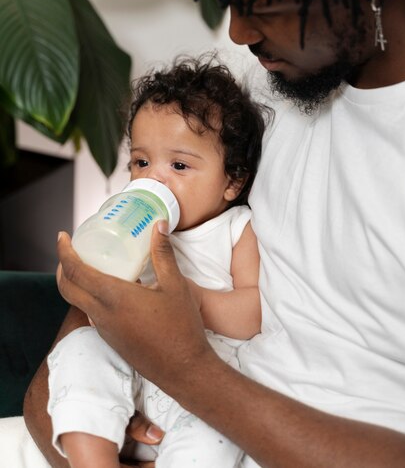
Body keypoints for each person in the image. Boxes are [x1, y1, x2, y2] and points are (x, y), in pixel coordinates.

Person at [24, 0, 405, 466]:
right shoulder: (255, 79)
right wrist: (89, 405)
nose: (237, 32)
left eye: (264, 7)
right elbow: (62, 380)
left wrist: (183, 369)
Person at [46, 57, 266, 468]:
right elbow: (88, 277)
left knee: (222, 429)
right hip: (126, 358)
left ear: (232, 181)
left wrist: (193, 300)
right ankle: (92, 461)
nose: (154, 179)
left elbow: (254, 311)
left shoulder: (236, 230)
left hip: (200, 380)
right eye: (141, 162)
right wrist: (74, 272)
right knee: (80, 348)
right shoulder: (127, 221)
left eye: (179, 166)